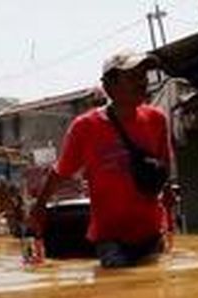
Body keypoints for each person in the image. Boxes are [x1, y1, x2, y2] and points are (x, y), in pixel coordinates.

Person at [29, 50, 173, 268]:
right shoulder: (85, 127)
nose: (142, 83)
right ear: (110, 87)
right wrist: (39, 208)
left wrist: (168, 206)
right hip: (111, 238)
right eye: (133, 77)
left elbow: (165, 168)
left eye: (144, 76)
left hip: (152, 232)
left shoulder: (157, 120)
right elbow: (60, 173)